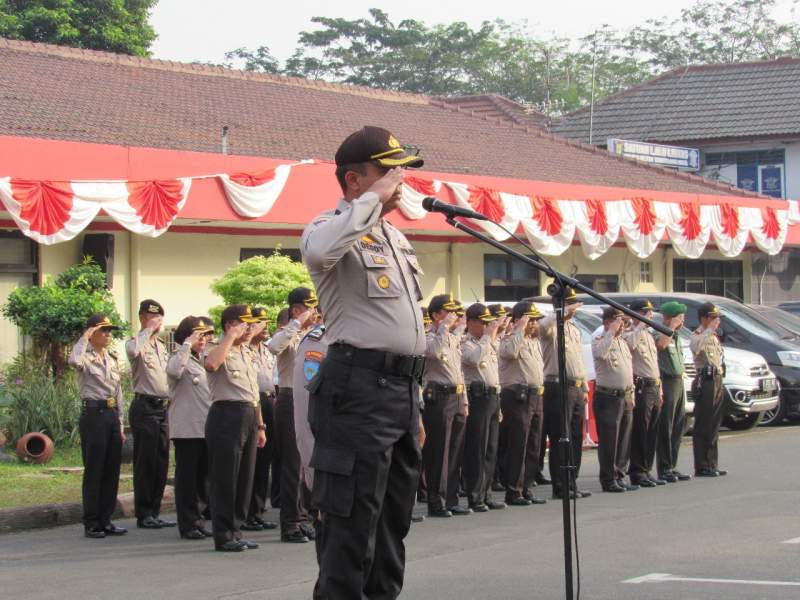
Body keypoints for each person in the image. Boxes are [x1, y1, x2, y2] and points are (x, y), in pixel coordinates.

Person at [301, 125, 425, 599]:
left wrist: (413, 404)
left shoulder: (394, 237)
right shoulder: (328, 228)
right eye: (388, 170)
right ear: (355, 180)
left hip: (401, 393)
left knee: (392, 528)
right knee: (349, 530)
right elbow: (318, 250)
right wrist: (372, 202)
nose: (400, 180)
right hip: (356, 390)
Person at [204, 304, 267, 552]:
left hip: (249, 414)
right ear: (230, 325)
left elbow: (254, 393)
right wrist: (230, 337)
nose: (250, 328)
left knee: (244, 478)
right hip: (226, 415)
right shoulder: (217, 347)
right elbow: (211, 365)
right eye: (245, 324)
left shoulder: (246, 352)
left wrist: (261, 425)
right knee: (225, 478)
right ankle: (223, 534)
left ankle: (236, 530)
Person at [268, 287, 319, 543]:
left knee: (309, 460)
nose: (315, 312)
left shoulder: (315, 334)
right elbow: (273, 347)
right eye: (310, 308)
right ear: (297, 309)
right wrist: (296, 322)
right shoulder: (287, 333)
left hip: (311, 399)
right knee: (292, 464)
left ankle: (305, 516)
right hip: (289, 398)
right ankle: (290, 523)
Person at [69, 314, 126, 539]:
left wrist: (120, 424)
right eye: (103, 330)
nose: (108, 334)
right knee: (95, 469)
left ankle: (106, 519)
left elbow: (118, 392)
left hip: (111, 414)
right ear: (92, 333)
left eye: (110, 330)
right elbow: (74, 361)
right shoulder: (84, 355)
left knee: (112, 470)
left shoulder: (111, 358)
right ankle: (92, 522)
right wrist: (84, 337)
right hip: (94, 414)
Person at [539, 288, 592, 499]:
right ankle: (560, 485)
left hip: (576, 386)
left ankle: (572, 481)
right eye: (571, 305)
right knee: (562, 436)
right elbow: (543, 327)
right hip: (558, 386)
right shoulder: (551, 326)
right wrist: (561, 313)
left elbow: (579, 361)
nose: (574, 311)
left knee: (576, 438)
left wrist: (585, 388)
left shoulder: (574, 330)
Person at [126, 299, 174, 529]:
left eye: (160, 318)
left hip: (163, 408)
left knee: (161, 461)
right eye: (153, 318)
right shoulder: (136, 343)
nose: (158, 322)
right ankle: (144, 513)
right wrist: (147, 330)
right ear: (143, 318)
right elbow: (133, 350)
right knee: (145, 462)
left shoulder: (161, 346)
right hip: (145, 407)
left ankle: (155, 510)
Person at [167, 316, 214, 540]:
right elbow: (174, 371)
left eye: (205, 335)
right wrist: (187, 344)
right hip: (186, 428)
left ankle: (199, 519)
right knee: (187, 478)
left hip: (205, 426)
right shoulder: (179, 356)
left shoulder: (201, 359)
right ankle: (187, 523)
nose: (203, 339)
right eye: (198, 335)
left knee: (202, 477)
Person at [421, 294, 469, 517]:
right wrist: (444, 329)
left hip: (456, 396)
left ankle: (451, 498)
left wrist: (465, 400)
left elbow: (459, 371)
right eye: (447, 312)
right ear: (435, 315)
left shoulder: (450, 336)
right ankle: (436, 500)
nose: (453, 316)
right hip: (438, 397)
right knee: (439, 452)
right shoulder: (429, 335)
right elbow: (433, 353)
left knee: (456, 450)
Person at [498, 301, 548, 506]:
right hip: (518, 395)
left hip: (536, 395)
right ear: (518, 320)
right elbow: (508, 353)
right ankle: (513, 490)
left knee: (534, 444)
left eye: (536, 320)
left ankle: (526, 486)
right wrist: (519, 327)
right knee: (519, 443)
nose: (534, 324)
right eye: (530, 320)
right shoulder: (509, 339)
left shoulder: (533, 341)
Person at [462, 303, 506, 512]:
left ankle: (486, 493)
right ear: (470, 322)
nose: (487, 327)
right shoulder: (466, 342)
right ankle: (475, 495)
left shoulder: (488, 342)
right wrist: (488, 337)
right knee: (477, 448)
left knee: (490, 448)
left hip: (492, 397)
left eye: (489, 323)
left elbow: (495, 373)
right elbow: (473, 359)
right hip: (477, 398)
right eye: (483, 323)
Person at [243, 306, 279, 532]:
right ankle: (246, 512)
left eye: (266, 321)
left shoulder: (266, 349)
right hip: (253, 403)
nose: (265, 326)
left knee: (265, 459)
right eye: (260, 322)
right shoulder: (244, 349)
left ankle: (257, 510)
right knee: (251, 461)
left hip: (269, 400)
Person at [591, 307, 634, 493]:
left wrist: (631, 394)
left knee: (623, 439)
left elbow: (628, 370)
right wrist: (611, 331)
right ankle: (608, 479)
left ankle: (619, 475)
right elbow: (601, 354)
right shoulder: (600, 339)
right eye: (618, 321)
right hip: (608, 396)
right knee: (609, 440)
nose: (622, 325)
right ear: (607, 322)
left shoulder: (622, 342)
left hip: (624, 395)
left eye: (623, 321)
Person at [624, 299, 666, 487]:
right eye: (645, 313)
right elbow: (630, 346)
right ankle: (637, 471)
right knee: (641, 429)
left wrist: (660, 387)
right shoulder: (630, 333)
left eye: (650, 313)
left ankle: (646, 469)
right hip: (641, 386)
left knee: (652, 430)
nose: (650, 316)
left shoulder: (648, 335)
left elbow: (654, 363)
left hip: (654, 385)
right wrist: (639, 325)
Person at [654, 301, 691, 482]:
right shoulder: (660, 331)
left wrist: (674, 330)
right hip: (666, 381)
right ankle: (664, 467)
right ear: (669, 318)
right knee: (666, 427)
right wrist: (671, 328)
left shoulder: (676, 336)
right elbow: (660, 346)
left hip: (678, 381)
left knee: (678, 425)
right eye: (679, 317)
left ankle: (672, 465)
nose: (682, 321)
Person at [690, 302, 727, 477]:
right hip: (705, 381)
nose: (716, 321)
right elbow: (696, 347)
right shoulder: (699, 334)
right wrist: (708, 330)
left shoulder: (712, 336)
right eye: (713, 318)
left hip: (717, 379)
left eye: (717, 318)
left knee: (714, 424)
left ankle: (712, 463)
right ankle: (702, 465)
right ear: (704, 318)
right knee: (703, 424)